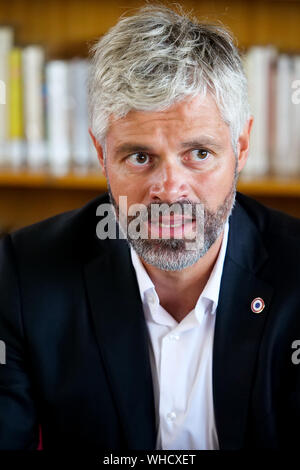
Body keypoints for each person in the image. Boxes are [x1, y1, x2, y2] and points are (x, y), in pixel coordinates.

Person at [0, 4, 300, 451]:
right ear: (101, 155)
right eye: (140, 157)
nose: (169, 190)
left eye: (199, 153)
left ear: (241, 145)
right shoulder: (23, 276)